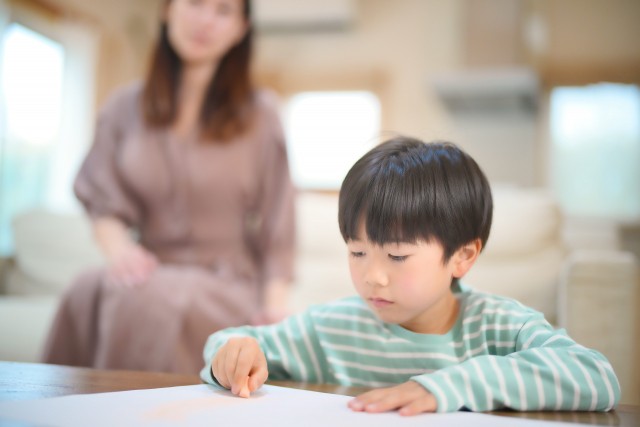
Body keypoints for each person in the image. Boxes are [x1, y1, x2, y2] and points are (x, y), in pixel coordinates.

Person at [200, 137, 621, 415]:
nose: (373, 277)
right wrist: (233, 353)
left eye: (397, 256)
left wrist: (449, 385)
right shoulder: (333, 329)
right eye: (358, 252)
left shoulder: (496, 327)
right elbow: (234, 344)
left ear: (462, 256)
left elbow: (596, 376)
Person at [42, 0, 295, 374]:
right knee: (86, 287)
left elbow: (279, 225)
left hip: (226, 282)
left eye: (223, 11)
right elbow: (100, 199)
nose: (206, 21)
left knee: (144, 298)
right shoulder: (123, 107)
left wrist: (274, 309)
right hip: (150, 265)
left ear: (240, 29)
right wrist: (120, 251)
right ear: (167, 10)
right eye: (195, 3)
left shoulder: (261, 113)